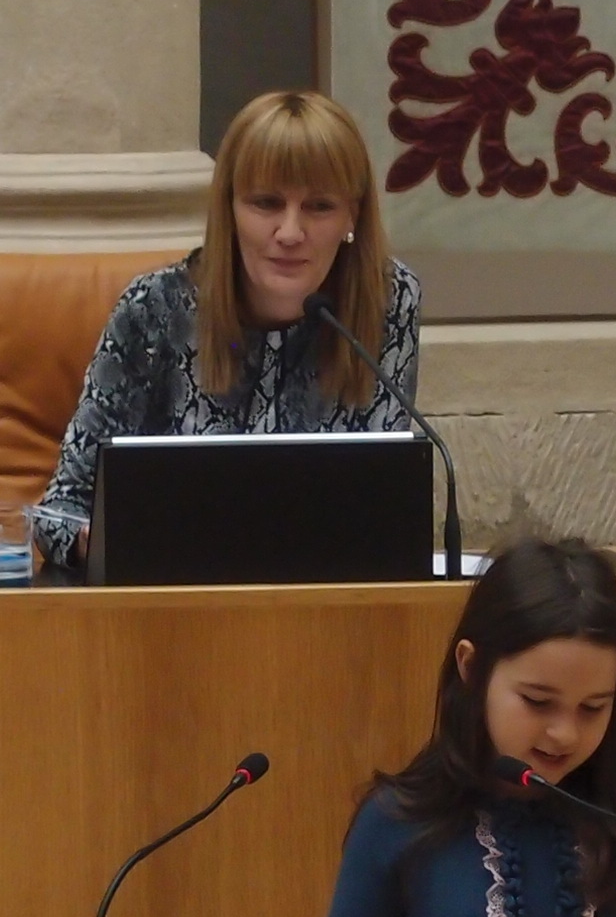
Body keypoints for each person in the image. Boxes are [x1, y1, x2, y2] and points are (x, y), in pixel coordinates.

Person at [203, 538, 616, 917]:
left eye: (594, 707)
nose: (564, 732)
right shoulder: (401, 817)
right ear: (472, 668)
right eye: (538, 702)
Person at [30, 89, 422, 572]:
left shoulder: (387, 301)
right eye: (266, 203)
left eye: (319, 206)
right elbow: (57, 512)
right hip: (171, 614)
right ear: (230, 210)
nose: (290, 232)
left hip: (323, 614)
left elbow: (381, 513)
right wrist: (124, 544)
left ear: (352, 216)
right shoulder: (154, 311)